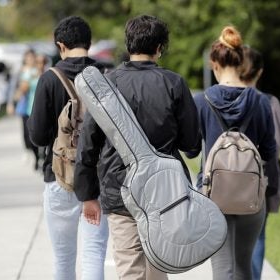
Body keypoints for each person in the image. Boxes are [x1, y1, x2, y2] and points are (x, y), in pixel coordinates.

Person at [74, 15, 201, 280]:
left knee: (130, 267)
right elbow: (191, 144)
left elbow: (88, 144)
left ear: (128, 45)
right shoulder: (173, 84)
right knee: (158, 264)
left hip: (119, 188)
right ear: (160, 48)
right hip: (165, 190)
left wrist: (87, 194)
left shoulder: (107, 84)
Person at [187, 26, 276, 279]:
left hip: (214, 195)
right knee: (244, 268)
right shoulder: (260, 102)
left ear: (214, 64)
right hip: (251, 195)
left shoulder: (202, 101)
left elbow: (192, 151)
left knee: (222, 269)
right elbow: (269, 152)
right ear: (240, 62)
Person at [27, 16, 109, 280]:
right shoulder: (106, 75)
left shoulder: (49, 80)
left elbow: (38, 136)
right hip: (98, 180)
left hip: (60, 178)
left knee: (63, 258)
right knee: (94, 252)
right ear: (89, 42)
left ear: (60, 45)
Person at [239, 46, 280, 280]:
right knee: (257, 237)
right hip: (262, 181)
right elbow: (277, 143)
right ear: (260, 72)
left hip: (229, 180)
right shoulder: (269, 102)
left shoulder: (226, 99)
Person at [14, 49, 40, 170]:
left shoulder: (39, 70)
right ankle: (30, 152)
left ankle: (37, 158)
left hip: (37, 107)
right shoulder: (22, 72)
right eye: (28, 58)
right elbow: (17, 89)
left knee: (35, 133)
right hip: (25, 107)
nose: (30, 60)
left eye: (32, 57)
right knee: (26, 133)